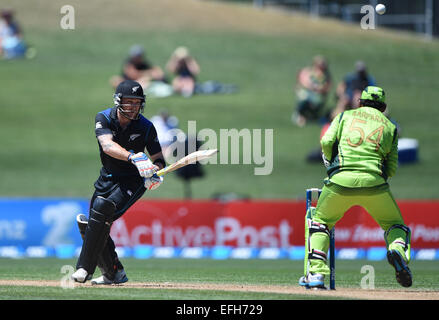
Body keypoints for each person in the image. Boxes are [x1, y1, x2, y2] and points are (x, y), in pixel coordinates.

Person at [299, 86, 412, 289]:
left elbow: (326, 141)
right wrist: (375, 175)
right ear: (383, 107)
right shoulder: (391, 127)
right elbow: (392, 167)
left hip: (340, 181)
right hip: (375, 183)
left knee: (320, 223)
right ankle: (397, 250)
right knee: (396, 226)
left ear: (360, 102)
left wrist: (330, 164)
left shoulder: (344, 116)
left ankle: (316, 274)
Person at [71, 80, 166, 284]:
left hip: (133, 181)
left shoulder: (147, 127)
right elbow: (107, 145)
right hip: (107, 177)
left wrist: (154, 173)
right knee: (92, 224)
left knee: (102, 209)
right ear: (118, 101)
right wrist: (134, 157)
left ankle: (84, 269)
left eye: (137, 102)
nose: (133, 106)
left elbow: (158, 159)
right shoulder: (104, 118)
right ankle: (114, 273)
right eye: (128, 101)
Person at [292, 55, 331, 127]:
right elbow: (302, 80)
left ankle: (310, 117)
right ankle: (300, 116)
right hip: (307, 94)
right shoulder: (309, 72)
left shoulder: (326, 76)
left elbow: (326, 87)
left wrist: (318, 88)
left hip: (318, 96)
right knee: (303, 97)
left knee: (315, 101)